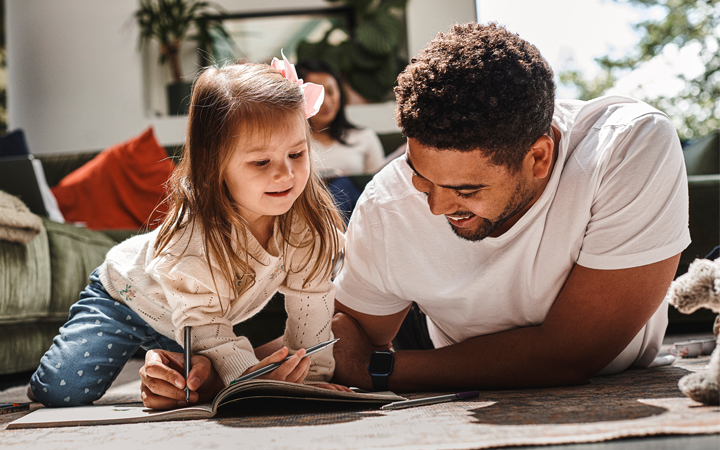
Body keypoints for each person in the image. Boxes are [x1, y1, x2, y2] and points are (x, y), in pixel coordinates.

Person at [330, 22, 690, 392]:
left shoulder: (627, 146)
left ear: (539, 157)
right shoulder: (387, 201)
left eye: (465, 190)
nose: (437, 207)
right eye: (421, 179)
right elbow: (347, 331)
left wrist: (378, 371)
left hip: (440, 362)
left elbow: (571, 355)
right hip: (432, 338)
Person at [28, 54, 350, 409]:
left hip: (194, 324)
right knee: (60, 392)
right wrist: (253, 383)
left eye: (297, 154)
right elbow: (207, 324)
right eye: (261, 162)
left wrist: (315, 381)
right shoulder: (193, 235)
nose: (285, 174)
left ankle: (174, 360)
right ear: (216, 164)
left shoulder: (305, 223)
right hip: (128, 298)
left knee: (189, 389)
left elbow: (312, 306)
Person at [295, 59, 386, 177]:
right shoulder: (292, 145)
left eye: (330, 92)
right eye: (317, 95)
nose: (326, 102)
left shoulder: (364, 137)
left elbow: (381, 187)